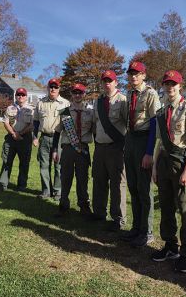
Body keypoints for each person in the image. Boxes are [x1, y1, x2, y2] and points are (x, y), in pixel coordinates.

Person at [152, 70, 186, 273]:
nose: (169, 87)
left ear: (180, 86)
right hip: (163, 162)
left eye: (173, 84)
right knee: (165, 206)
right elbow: (159, 142)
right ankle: (170, 246)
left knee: (185, 208)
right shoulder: (161, 112)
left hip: (181, 162)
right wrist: (155, 166)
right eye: (166, 84)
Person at [120, 61, 160, 247]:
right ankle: (136, 227)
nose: (134, 76)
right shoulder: (129, 94)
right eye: (131, 74)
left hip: (144, 140)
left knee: (144, 189)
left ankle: (147, 232)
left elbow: (154, 123)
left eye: (137, 73)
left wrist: (149, 152)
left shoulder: (151, 94)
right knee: (134, 187)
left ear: (144, 75)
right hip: (131, 140)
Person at [92, 70, 127, 231]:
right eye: (104, 80)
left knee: (117, 184)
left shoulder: (123, 100)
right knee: (99, 181)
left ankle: (118, 218)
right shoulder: (97, 101)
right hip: (100, 148)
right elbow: (95, 124)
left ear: (115, 82)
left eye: (110, 80)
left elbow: (128, 124)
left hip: (115, 148)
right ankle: (99, 212)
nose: (107, 83)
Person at [52, 83, 93, 215]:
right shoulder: (65, 112)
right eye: (75, 93)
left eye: (80, 93)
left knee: (83, 179)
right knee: (66, 178)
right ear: (71, 94)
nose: (77, 95)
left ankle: (84, 206)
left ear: (84, 94)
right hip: (68, 149)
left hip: (83, 149)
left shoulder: (90, 112)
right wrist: (54, 150)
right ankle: (63, 204)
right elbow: (57, 132)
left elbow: (96, 132)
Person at [33, 78, 69, 199]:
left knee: (58, 166)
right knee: (44, 166)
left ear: (59, 89)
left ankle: (58, 191)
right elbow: (36, 122)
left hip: (58, 140)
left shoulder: (65, 103)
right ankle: (46, 191)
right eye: (51, 86)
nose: (53, 89)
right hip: (44, 138)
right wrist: (35, 137)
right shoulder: (41, 103)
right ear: (48, 88)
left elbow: (69, 124)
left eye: (55, 87)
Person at [0, 87, 33, 192]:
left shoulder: (32, 109)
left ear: (26, 97)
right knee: (6, 161)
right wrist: (13, 133)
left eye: (23, 95)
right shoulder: (10, 108)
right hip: (11, 137)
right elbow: (6, 123)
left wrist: (20, 133)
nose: (20, 97)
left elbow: (32, 125)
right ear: (16, 96)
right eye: (18, 95)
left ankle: (21, 186)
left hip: (25, 138)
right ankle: (2, 184)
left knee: (24, 163)